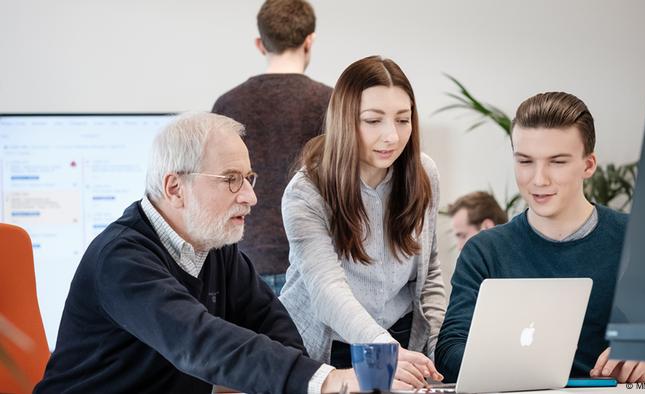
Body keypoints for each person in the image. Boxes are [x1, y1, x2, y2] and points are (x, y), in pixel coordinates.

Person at [35, 113, 357, 394]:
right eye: (232, 179)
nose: (251, 196)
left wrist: (305, 382)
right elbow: (199, 342)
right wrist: (323, 382)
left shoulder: (215, 248)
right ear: (175, 188)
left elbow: (274, 327)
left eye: (248, 178)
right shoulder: (120, 259)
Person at [435, 92, 645, 383]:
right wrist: (515, 365)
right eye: (525, 161)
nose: (539, 179)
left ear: (588, 165)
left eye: (557, 162)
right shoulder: (484, 251)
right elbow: (449, 352)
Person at [279, 56, 446, 390]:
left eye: (403, 119)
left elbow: (429, 276)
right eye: (372, 120)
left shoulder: (423, 173)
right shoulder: (307, 191)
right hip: (330, 350)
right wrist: (385, 350)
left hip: (399, 343)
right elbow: (327, 291)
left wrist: (437, 348)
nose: (391, 136)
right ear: (344, 121)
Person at [212, 0, 332, 295]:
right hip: (315, 261)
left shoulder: (228, 104)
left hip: (244, 259)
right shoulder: (332, 102)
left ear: (259, 43)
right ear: (309, 40)